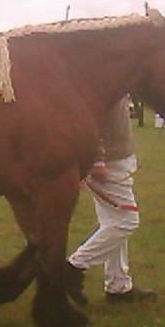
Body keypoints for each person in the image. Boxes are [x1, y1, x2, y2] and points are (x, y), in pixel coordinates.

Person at [66, 95, 157, 304]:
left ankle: (119, 286)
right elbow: (90, 109)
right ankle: (73, 268)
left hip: (118, 157)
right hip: (109, 161)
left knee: (113, 223)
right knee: (126, 221)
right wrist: (96, 158)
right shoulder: (102, 68)